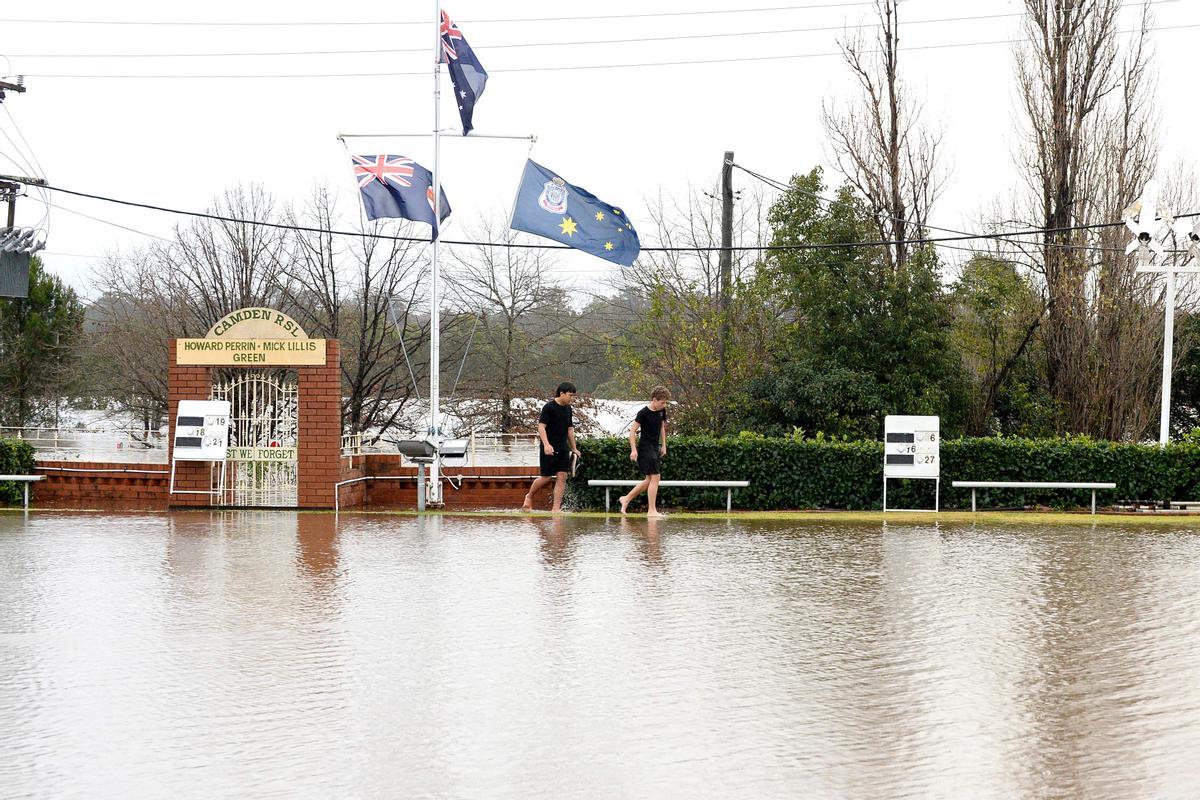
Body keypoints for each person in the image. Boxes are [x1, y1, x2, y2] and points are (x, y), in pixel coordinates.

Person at [522, 382, 582, 513]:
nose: (572, 398)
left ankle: (556, 508)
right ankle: (529, 496)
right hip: (549, 448)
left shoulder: (568, 409)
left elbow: (570, 429)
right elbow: (541, 427)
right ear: (562, 393)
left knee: (562, 476)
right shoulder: (549, 407)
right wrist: (547, 445)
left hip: (563, 448)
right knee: (546, 477)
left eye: (573, 396)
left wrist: (574, 448)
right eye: (570, 395)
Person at [618, 385, 670, 517]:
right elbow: (632, 430)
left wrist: (663, 445)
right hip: (645, 447)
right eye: (662, 402)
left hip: (655, 447)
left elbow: (661, 428)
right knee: (656, 477)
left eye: (665, 402)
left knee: (649, 480)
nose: (664, 405)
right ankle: (651, 510)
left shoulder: (662, 411)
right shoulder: (643, 413)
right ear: (654, 399)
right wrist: (633, 450)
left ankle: (626, 499)